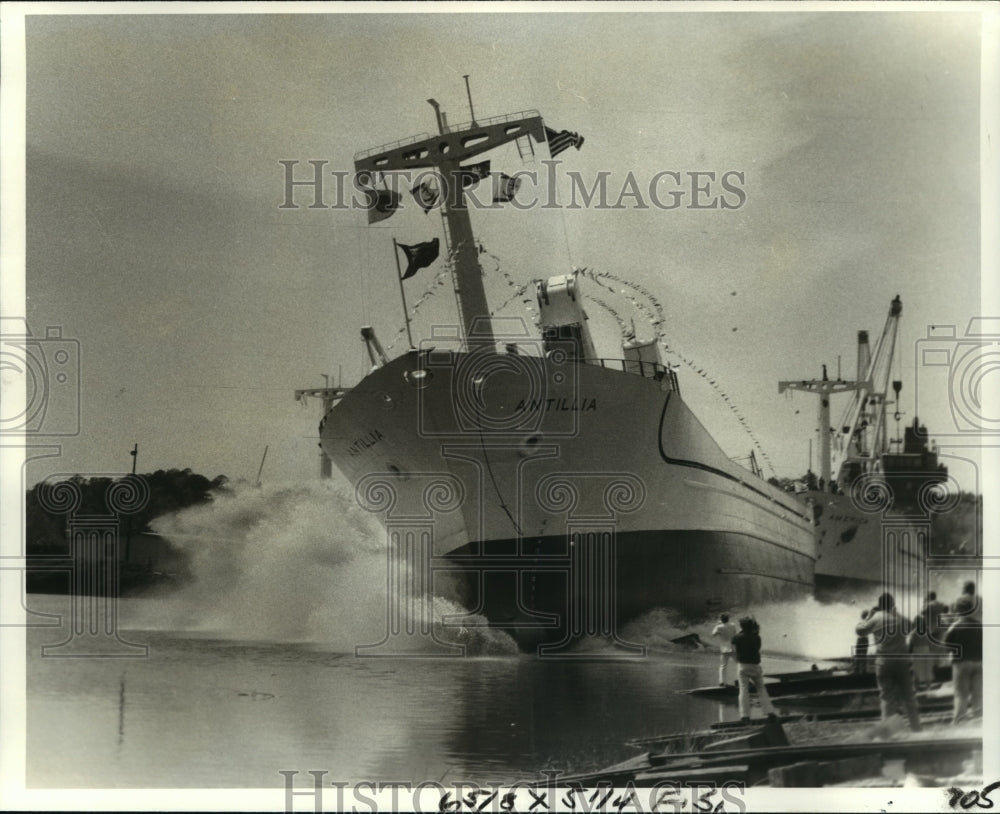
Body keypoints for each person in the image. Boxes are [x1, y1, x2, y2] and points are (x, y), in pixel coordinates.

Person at [855, 592, 921, 732]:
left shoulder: (876, 618)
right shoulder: (899, 618)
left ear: (879, 606)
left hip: (883, 662)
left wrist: (869, 616)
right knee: (908, 695)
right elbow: (911, 627)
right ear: (892, 605)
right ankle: (916, 728)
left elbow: (859, 631)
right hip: (901, 662)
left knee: (886, 697)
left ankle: (889, 731)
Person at [942, 595, 982, 724]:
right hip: (979, 662)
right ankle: (979, 720)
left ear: (958, 611)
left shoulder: (955, 626)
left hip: (961, 663)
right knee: (978, 694)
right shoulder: (979, 625)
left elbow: (946, 646)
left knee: (961, 694)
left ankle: (959, 721)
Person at [731, 616, 778, 724]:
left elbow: (733, 651)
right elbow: (755, 642)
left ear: (741, 626)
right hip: (755, 666)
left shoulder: (736, 638)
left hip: (742, 666)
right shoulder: (757, 638)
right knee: (761, 689)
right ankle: (770, 713)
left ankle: (745, 716)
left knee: (743, 690)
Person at [909, 591, 949, 688]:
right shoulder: (941, 603)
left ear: (929, 597)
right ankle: (937, 666)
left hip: (931, 629)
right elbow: (946, 609)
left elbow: (923, 613)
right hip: (939, 628)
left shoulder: (928, 604)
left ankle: (927, 673)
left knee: (929, 648)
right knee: (937, 648)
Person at [711, 613, 738, 686]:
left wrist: (716, 625)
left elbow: (713, 634)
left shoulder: (719, 627)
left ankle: (722, 682)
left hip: (724, 648)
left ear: (721, 619)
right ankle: (743, 679)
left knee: (723, 666)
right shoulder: (733, 625)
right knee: (739, 664)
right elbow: (735, 634)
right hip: (733, 647)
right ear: (728, 619)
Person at [854, 610, 871, 675]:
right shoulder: (861, 622)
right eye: (863, 614)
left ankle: (862, 671)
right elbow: (857, 630)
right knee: (859, 655)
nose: (863, 615)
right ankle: (858, 670)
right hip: (861, 639)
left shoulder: (867, 622)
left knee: (862, 655)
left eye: (864, 614)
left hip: (863, 639)